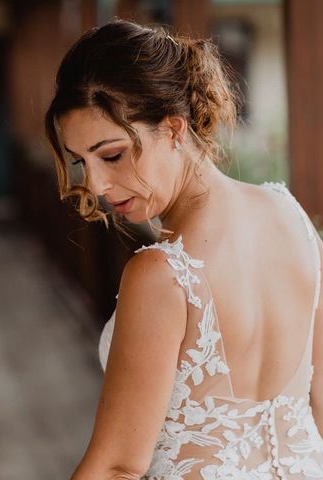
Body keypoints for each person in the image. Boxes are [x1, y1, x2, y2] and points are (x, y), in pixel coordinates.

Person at [45, 19, 323, 480]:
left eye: (111, 154)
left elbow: (116, 467)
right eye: (81, 163)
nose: (94, 184)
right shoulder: (292, 218)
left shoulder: (163, 274)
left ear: (174, 129)